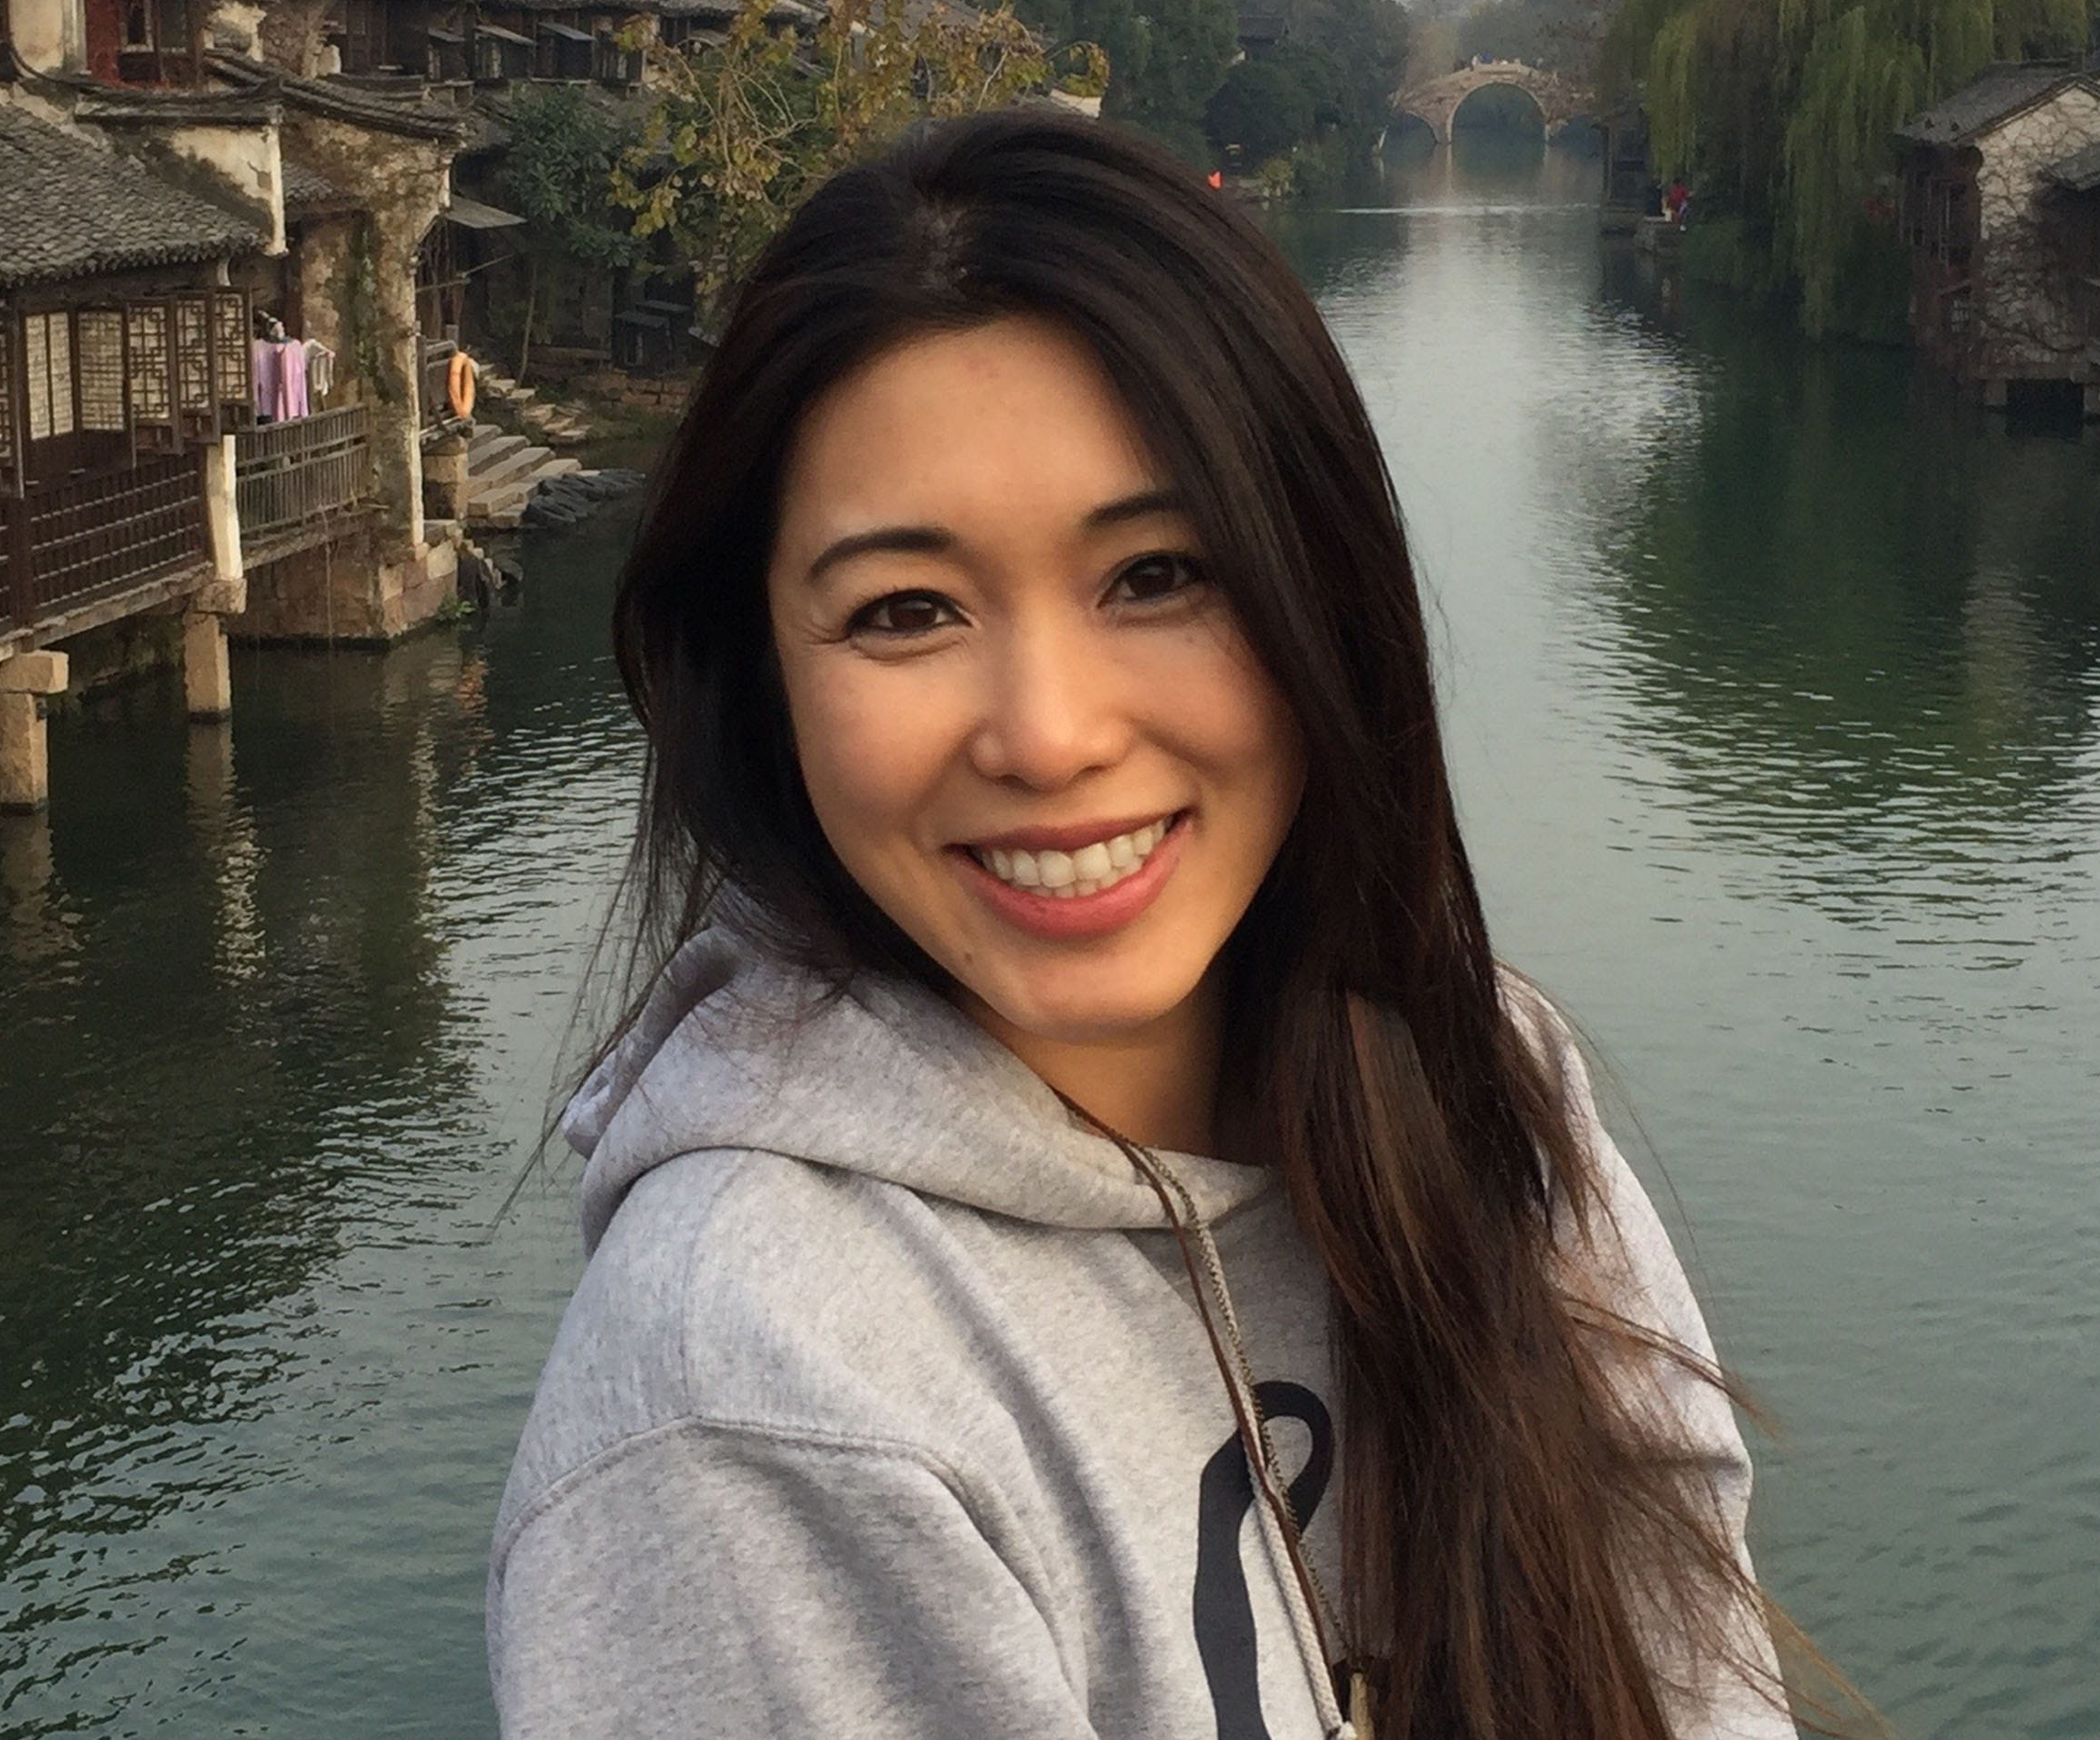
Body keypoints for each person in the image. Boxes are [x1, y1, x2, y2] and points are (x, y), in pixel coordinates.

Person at [493, 110, 1804, 1739]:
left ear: (1324, 590)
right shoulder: (765, 1376)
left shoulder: (1476, 1080)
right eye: (907, 611)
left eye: (1159, 575)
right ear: (761, 680)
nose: (1048, 735)